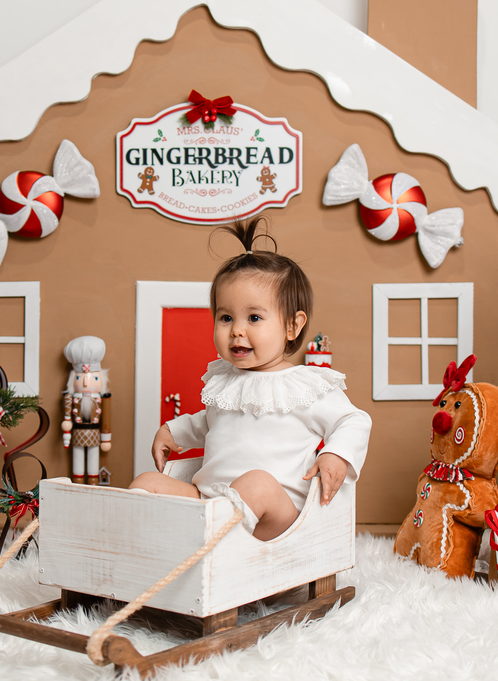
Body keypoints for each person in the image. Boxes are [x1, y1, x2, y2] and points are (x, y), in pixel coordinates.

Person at [129, 218, 371, 540]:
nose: (237, 330)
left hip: (275, 515)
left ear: (292, 326)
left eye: (254, 317)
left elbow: (354, 420)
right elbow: (209, 423)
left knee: (257, 483)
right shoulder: (226, 382)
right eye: (226, 317)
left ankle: (208, 544)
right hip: (210, 502)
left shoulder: (304, 386)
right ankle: (139, 544)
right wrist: (172, 431)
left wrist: (335, 454)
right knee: (146, 482)